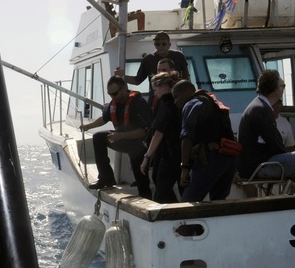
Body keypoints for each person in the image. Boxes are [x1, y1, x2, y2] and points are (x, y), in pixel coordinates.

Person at [237, 70, 295, 190]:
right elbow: (276, 144)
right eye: (283, 86)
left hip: (255, 166)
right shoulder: (261, 109)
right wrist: (291, 169)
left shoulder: (257, 106)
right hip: (262, 167)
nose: (284, 89)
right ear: (275, 89)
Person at [79, 75, 152, 196]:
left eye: (115, 93)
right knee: (98, 137)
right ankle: (106, 178)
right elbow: (104, 118)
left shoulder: (138, 103)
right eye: (110, 94)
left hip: (140, 143)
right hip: (122, 138)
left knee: (136, 156)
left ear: (123, 89)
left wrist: (121, 136)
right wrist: (88, 126)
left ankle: (145, 192)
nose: (113, 97)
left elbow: (144, 131)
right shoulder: (114, 103)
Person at [173, 80, 237, 202]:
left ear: (188, 92)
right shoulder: (214, 103)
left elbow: (186, 137)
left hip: (210, 158)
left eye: (177, 97)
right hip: (229, 158)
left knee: (188, 202)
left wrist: (184, 168)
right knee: (218, 200)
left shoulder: (191, 104)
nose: (176, 102)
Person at [139, 72, 181, 202]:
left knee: (162, 188)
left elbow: (158, 134)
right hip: (173, 152)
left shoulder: (166, 104)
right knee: (159, 181)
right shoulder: (175, 101)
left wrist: (146, 157)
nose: (155, 94)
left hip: (170, 154)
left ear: (163, 87)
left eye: (156, 90)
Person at [117, 31, 189, 90]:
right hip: (156, 97)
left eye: (164, 43)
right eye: (158, 44)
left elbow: (186, 78)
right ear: (154, 45)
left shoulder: (179, 56)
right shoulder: (148, 60)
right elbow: (137, 80)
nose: (161, 46)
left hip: (177, 95)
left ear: (169, 44)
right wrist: (121, 76)